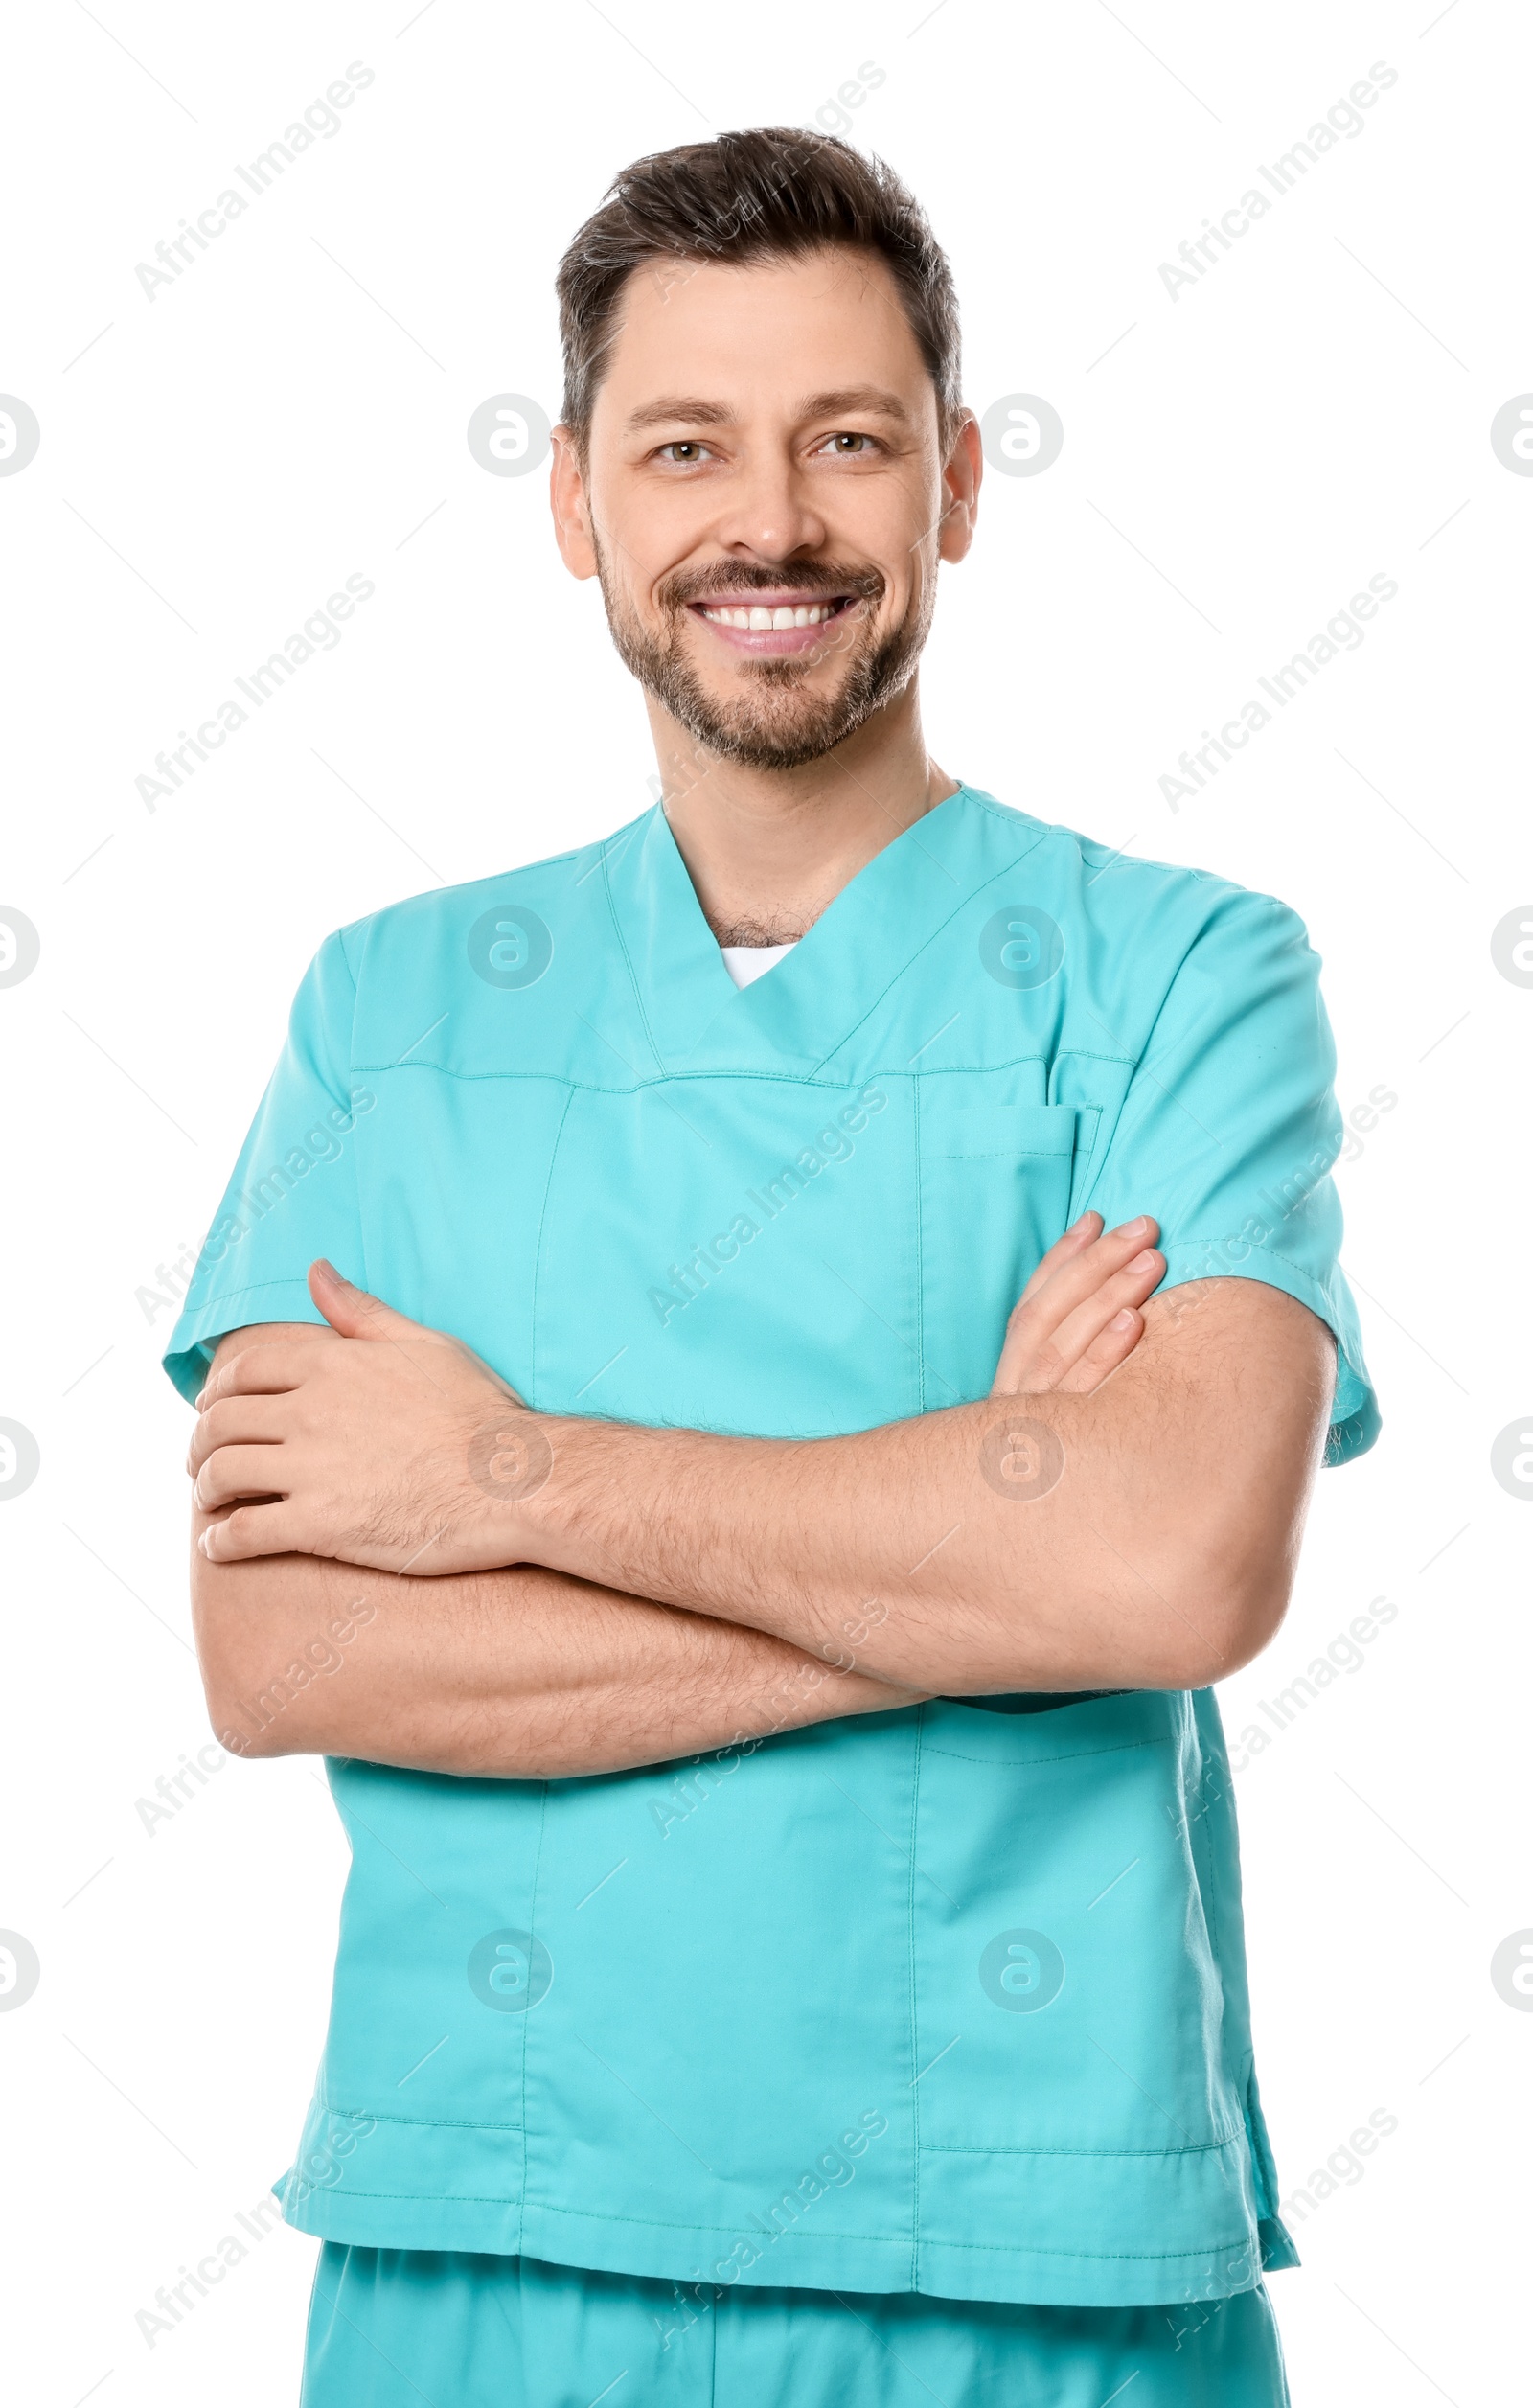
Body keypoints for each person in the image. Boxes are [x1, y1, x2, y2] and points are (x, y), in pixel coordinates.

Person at [164, 128, 1377, 2407]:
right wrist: (974, 1584)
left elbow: (1174, 1568)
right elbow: (283, 1640)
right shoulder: (393, 1010)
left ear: (954, 488)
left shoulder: (1180, 976)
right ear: (572, 503)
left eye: (850, 439)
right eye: (686, 445)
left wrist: (502, 1481)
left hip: (1034, 2280)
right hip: (484, 2267)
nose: (774, 521)